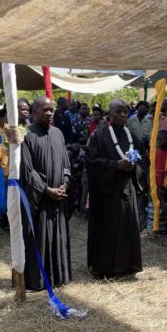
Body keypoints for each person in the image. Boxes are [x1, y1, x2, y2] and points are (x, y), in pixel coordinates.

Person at [86, 98, 143, 278]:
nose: (123, 115)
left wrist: (135, 166)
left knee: (127, 227)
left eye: (125, 111)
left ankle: (127, 266)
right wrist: (114, 165)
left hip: (127, 191)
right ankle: (104, 268)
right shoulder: (98, 136)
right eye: (119, 112)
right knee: (107, 229)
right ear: (109, 114)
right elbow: (91, 162)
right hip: (106, 194)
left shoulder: (131, 136)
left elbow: (144, 160)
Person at [19, 96, 72, 290]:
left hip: (59, 196)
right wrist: (46, 189)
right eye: (45, 110)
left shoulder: (58, 133)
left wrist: (65, 183)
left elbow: (66, 162)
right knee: (40, 238)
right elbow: (28, 170)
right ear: (34, 112)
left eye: (52, 110)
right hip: (39, 198)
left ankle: (59, 276)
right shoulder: (26, 135)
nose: (49, 113)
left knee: (58, 237)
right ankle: (39, 280)